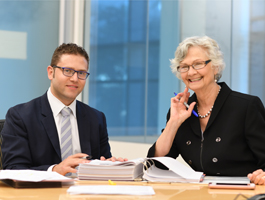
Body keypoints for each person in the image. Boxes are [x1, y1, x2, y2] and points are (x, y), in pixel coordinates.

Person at [147, 36, 265, 185]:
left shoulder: (246, 106)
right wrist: (173, 123)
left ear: (215, 66)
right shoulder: (182, 110)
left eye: (198, 64)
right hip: (201, 193)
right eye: (184, 67)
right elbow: (157, 164)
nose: (191, 72)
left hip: (242, 192)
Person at [1, 43, 126, 176]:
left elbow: (102, 163)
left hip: (84, 194)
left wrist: (110, 165)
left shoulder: (96, 118)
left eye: (81, 73)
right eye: (67, 71)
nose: (75, 79)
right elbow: (13, 169)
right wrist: (55, 170)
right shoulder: (20, 116)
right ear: (51, 72)